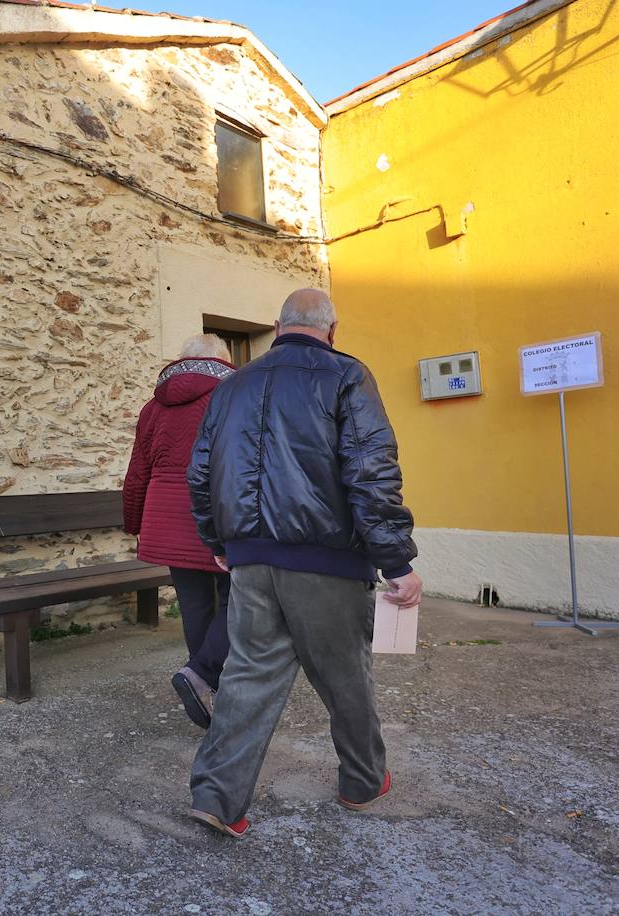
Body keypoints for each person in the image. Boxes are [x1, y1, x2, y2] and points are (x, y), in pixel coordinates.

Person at [185, 288, 422, 839]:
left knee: (246, 678)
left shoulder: (232, 385)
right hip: (328, 563)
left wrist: (218, 540)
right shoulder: (345, 375)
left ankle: (218, 800)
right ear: (333, 330)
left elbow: (200, 474)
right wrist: (397, 560)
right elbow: (371, 471)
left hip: (250, 562)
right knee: (346, 679)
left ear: (276, 326)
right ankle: (362, 784)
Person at [123, 333, 236, 728]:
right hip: (217, 514)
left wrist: (135, 522)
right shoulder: (229, 398)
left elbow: (137, 472)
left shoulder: (153, 406)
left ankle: (206, 688)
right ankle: (203, 675)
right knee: (237, 601)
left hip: (164, 519)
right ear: (223, 361)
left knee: (194, 605)